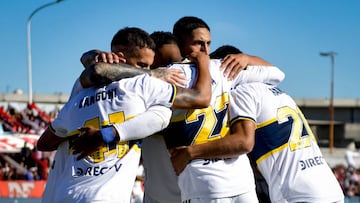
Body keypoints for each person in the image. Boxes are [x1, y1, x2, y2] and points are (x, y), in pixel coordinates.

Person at [76, 17, 285, 203]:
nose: (173, 68)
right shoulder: (212, 73)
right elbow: (276, 73)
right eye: (165, 63)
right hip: (199, 188)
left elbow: (97, 70)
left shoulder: (155, 87)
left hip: (194, 190)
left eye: (207, 44)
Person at [36, 27, 212, 203]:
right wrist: (204, 62)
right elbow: (200, 98)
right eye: (142, 65)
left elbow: (44, 143)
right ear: (120, 58)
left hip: (64, 195)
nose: (149, 71)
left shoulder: (79, 94)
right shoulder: (144, 85)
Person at [171, 81, 345, 202]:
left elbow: (244, 142)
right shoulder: (280, 92)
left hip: (298, 193)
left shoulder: (241, 92)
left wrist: (190, 152)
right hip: (330, 187)